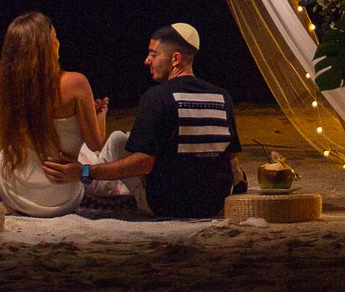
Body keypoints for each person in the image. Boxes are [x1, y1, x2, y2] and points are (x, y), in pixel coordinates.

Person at [88, 23, 241, 218]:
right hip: (215, 203)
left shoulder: (157, 97)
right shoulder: (222, 96)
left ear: (175, 59)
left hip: (167, 204)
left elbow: (143, 164)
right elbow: (231, 154)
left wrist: (87, 171)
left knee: (119, 140)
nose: (146, 61)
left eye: (153, 55)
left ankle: (92, 183)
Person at [0, 12, 111, 217]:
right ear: (45, 47)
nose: (58, 42)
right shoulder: (76, 83)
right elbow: (96, 143)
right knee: (88, 157)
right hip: (61, 195)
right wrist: (101, 115)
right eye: (54, 37)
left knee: (5, 156)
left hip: (17, 194)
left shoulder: (13, 88)